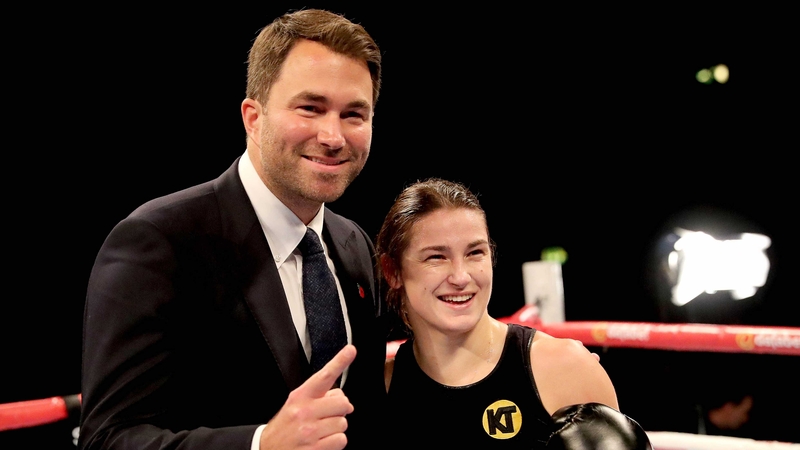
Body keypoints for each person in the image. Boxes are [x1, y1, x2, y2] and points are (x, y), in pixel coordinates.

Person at [79, 9, 388, 450]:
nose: (333, 135)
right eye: (310, 108)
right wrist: (260, 444)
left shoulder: (354, 244)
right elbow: (108, 439)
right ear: (252, 117)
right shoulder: (159, 241)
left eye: (354, 114)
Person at [376, 178, 652, 449]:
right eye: (436, 257)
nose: (461, 277)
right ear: (393, 271)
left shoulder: (564, 368)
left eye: (475, 253)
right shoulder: (383, 386)